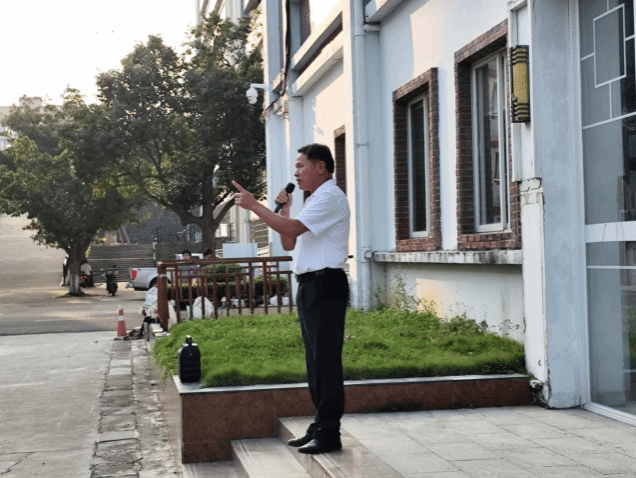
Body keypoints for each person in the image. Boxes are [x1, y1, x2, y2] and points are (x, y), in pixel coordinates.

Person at [233, 143, 350, 455]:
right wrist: (283, 211)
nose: (296, 173)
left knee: (326, 361)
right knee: (315, 362)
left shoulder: (330, 197)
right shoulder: (315, 199)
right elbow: (289, 241)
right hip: (312, 286)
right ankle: (320, 424)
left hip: (326, 285)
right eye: (296, 168)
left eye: (301, 166)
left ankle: (329, 433)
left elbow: (294, 229)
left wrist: (255, 206)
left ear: (321, 167)